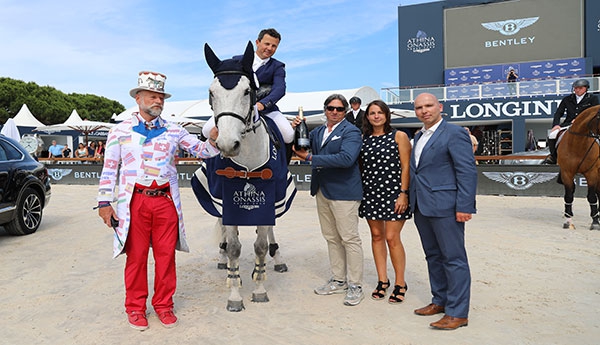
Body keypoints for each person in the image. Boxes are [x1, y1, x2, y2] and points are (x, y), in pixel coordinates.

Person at [96, 71, 220, 331]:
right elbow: (110, 168)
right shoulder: (119, 131)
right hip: (134, 203)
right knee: (136, 258)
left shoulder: (174, 130)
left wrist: (215, 136)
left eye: (161, 97)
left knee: (166, 258)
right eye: (153, 96)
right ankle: (135, 307)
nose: (158, 101)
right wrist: (105, 202)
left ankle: (164, 305)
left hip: (165, 201)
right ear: (138, 98)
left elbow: (203, 151)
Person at [410, 93, 477, 330]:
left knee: (454, 259)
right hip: (422, 206)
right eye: (419, 107)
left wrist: (465, 206)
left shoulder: (455, 133)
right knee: (433, 256)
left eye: (428, 106)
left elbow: (467, 171)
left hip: (447, 206)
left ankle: (458, 313)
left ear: (440, 107)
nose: (424, 110)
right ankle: (440, 300)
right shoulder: (418, 136)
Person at [292, 94, 365, 306]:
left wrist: (310, 158)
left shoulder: (351, 131)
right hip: (322, 190)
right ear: (325, 109)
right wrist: (296, 127)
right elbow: (298, 143)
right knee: (332, 238)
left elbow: (346, 159)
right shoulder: (318, 131)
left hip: (344, 192)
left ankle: (355, 285)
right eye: (331, 108)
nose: (334, 112)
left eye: (339, 109)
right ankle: (339, 279)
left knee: (349, 239)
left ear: (346, 111)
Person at [202, 28, 294, 145]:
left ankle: (282, 162)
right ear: (257, 42)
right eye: (267, 44)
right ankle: (207, 161)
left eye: (274, 46)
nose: (270, 48)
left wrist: (262, 105)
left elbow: (279, 89)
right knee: (206, 131)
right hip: (236, 108)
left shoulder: (277, 66)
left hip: (265, 109)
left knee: (288, 135)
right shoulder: (236, 60)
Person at [359, 100, 411, 304]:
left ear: (387, 115)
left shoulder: (399, 136)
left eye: (380, 112)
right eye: (372, 113)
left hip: (395, 193)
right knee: (376, 235)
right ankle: (383, 280)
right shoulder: (365, 139)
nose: (376, 116)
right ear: (367, 117)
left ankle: (400, 283)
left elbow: (406, 167)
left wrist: (404, 193)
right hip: (371, 193)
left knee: (392, 237)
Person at [542, 79, 599, 164]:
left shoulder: (593, 98)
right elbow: (558, 113)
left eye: (580, 88)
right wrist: (556, 125)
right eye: (575, 88)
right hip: (568, 124)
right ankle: (553, 157)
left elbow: (595, 113)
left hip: (586, 125)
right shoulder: (567, 99)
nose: (577, 90)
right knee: (552, 135)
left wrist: (580, 120)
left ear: (586, 88)